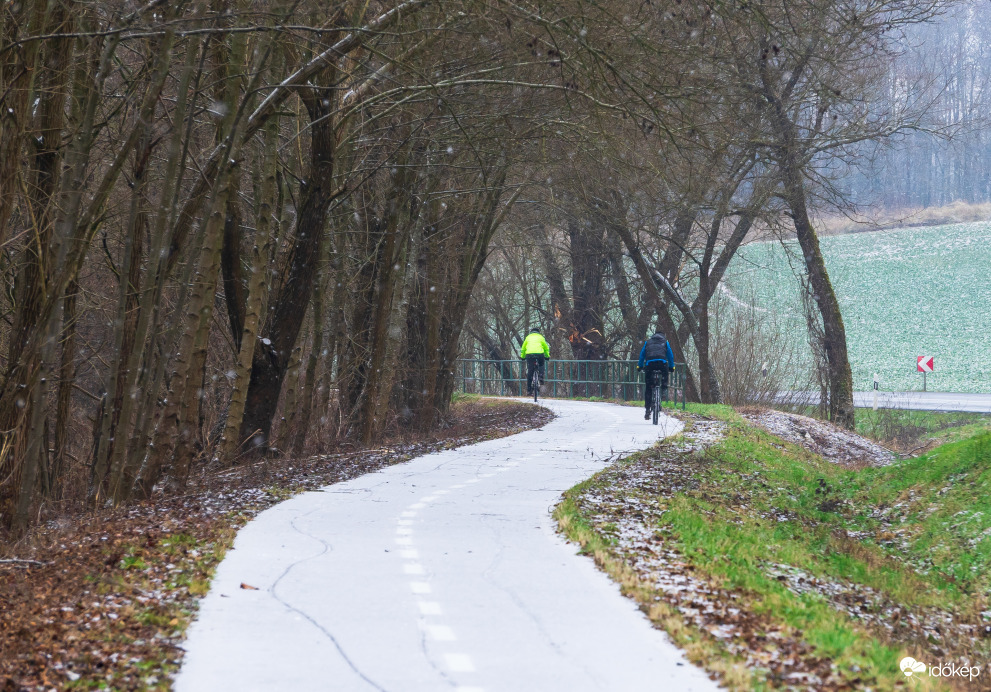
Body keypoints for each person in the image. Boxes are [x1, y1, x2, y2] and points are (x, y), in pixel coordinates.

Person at [637, 331, 674, 419]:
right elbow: (670, 355)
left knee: (648, 387)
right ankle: (664, 389)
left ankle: (647, 410)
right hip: (662, 363)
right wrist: (672, 367)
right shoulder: (665, 342)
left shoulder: (647, 342)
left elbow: (642, 355)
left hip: (650, 364)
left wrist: (640, 366)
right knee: (665, 373)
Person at [520, 328, 550, 395]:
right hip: (539, 354)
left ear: (531, 332)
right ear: (538, 332)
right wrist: (547, 356)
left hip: (529, 355)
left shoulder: (528, 337)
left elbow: (523, 348)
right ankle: (541, 376)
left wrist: (522, 357)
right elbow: (546, 348)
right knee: (541, 364)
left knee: (530, 371)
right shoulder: (541, 337)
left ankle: (529, 390)